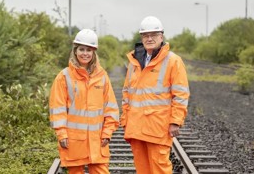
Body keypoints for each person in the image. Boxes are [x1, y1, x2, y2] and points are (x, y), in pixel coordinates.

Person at [120, 16, 190, 174]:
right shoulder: (134, 62)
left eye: (153, 34)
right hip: (136, 126)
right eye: (145, 35)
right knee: (142, 169)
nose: (149, 38)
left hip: (158, 127)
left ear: (161, 36)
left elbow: (181, 95)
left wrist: (176, 121)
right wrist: (125, 119)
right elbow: (126, 93)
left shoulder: (173, 61)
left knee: (159, 168)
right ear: (141, 38)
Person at [49, 29, 119, 174]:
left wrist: (107, 132)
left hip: (98, 141)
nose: (85, 53)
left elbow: (111, 108)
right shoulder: (64, 77)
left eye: (89, 50)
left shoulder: (102, 76)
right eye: (81, 49)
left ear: (94, 52)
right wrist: (62, 134)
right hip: (74, 141)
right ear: (75, 51)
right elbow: (57, 108)